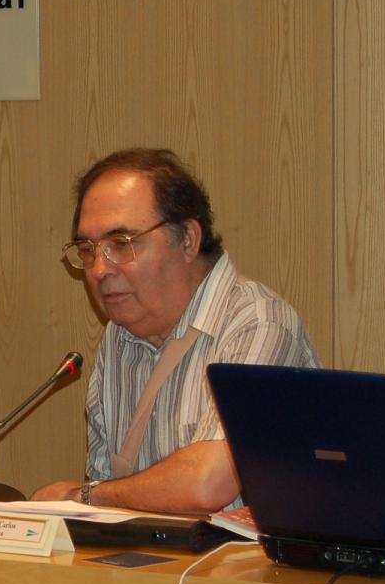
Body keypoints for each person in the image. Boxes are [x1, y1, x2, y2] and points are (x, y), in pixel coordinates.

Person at [31, 147, 319, 512]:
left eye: (121, 244)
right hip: (151, 548)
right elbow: (108, 496)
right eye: (88, 249)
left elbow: (209, 485)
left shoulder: (259, 324)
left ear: (188, 239)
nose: (100, 269)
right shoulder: (120, 336)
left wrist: (83, 496)